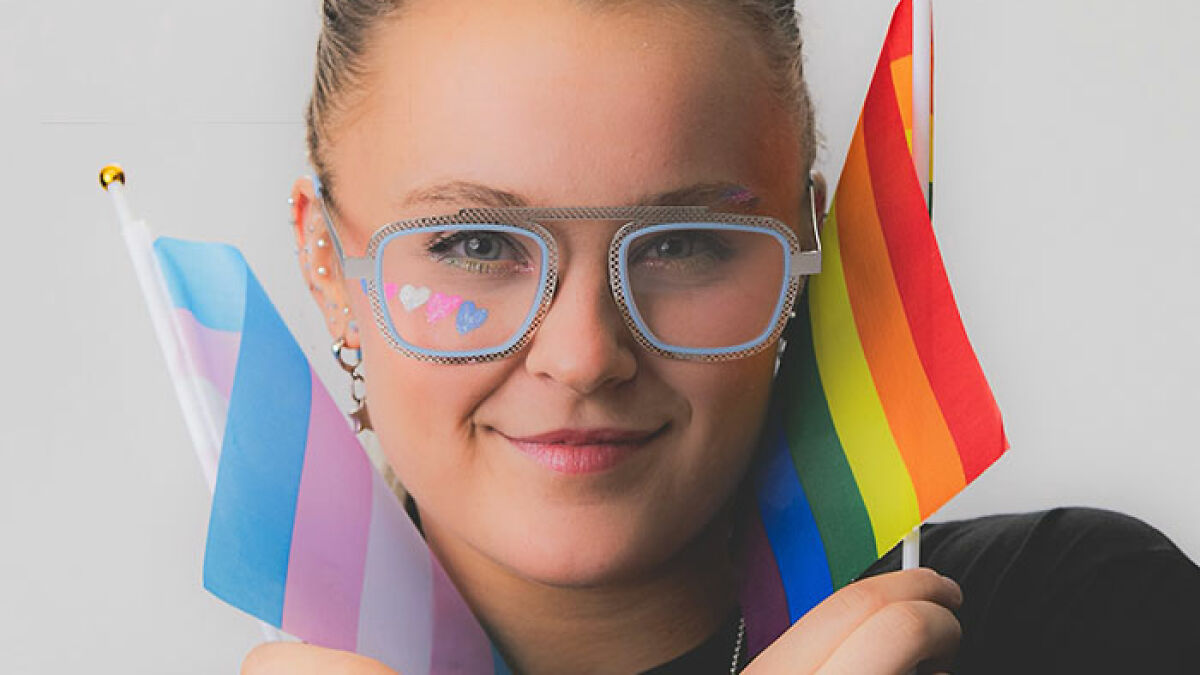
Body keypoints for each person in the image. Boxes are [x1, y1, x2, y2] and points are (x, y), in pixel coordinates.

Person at [243, 0, 1200, 672]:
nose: (583, 357)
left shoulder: (1089, 618)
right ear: (327, 262)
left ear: (803, 249)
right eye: (475, 244)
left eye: (684, 243)